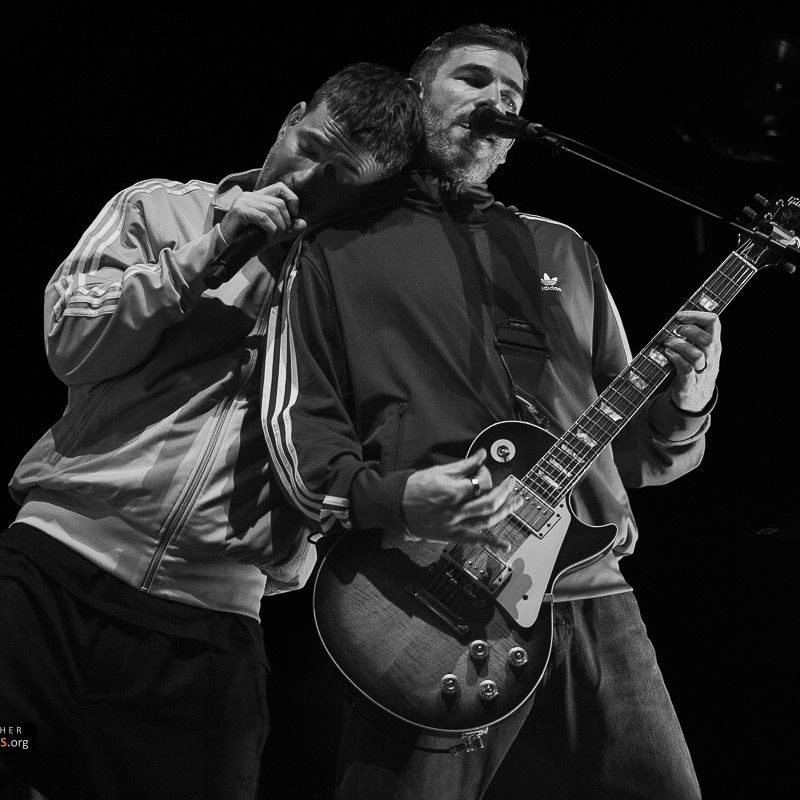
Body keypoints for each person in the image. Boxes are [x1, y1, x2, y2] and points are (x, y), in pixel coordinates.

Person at [263, 24, 720, 800]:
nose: (497, 101)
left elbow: (639, 458)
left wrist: (690, 395)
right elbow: (305, 432)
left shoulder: (562, 250)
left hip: (591, 590)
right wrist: (395, 499)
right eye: (473, 80)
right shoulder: (335, 250)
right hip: (425, 596)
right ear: (415, 98)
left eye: (512, 93)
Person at [0, 62, 422, 800]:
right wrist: (207, 252)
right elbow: (70, 341)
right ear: (290, 117)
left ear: (371, 190)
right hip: (49, 581)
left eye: (340, 173)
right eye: (308, 146)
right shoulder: (161, 207)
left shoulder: (360, 296)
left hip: (205, 634)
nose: (307, 178)